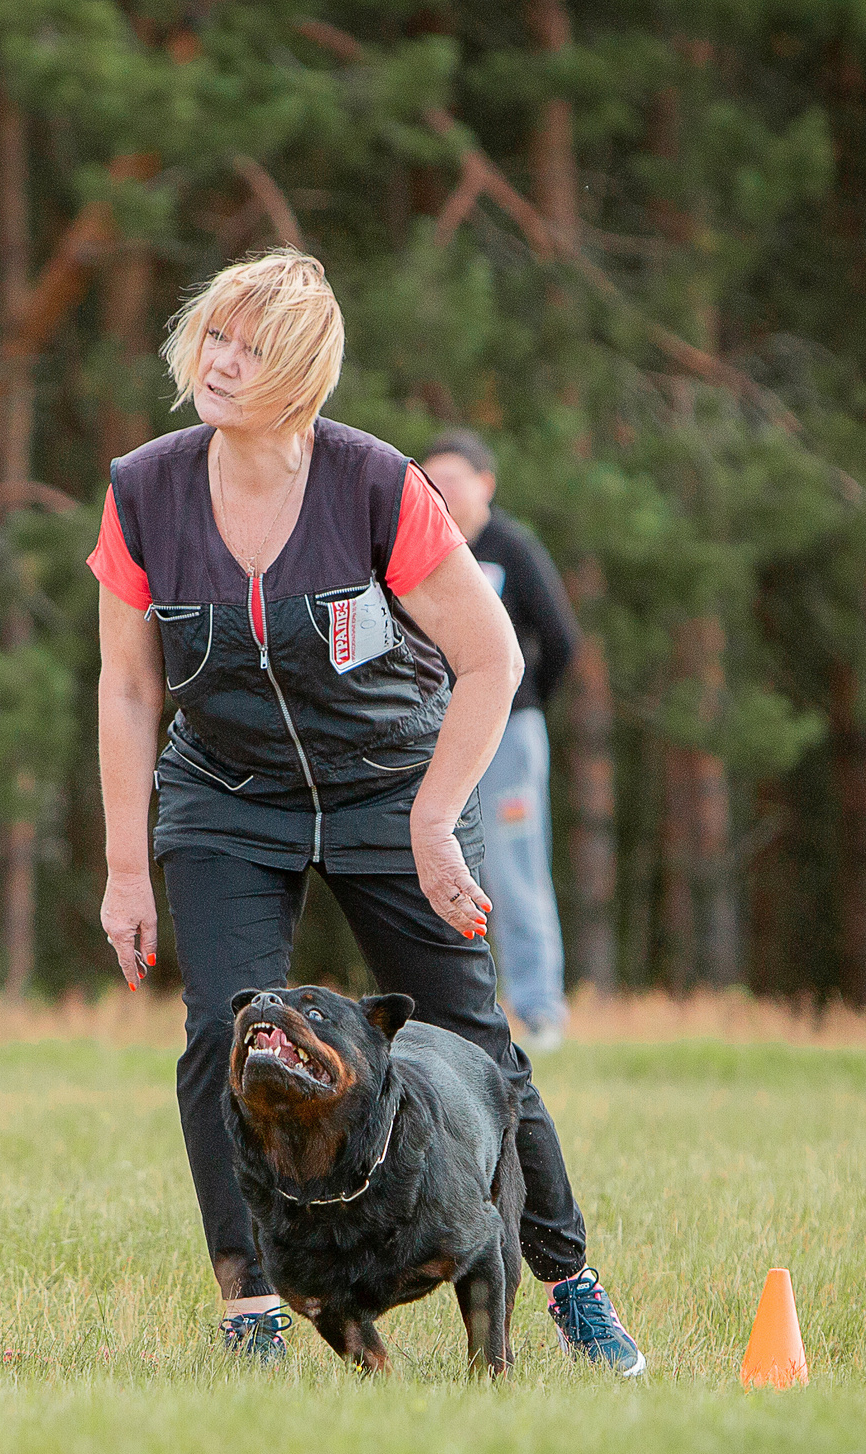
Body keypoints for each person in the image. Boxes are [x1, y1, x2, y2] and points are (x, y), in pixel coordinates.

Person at [89, 250, 643, 1374]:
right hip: (226, 794)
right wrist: (125, 867)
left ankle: (568, 1282)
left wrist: (436, 819)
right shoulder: (143, 487)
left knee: (478, 1046)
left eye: (251, 348)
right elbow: (130, 684)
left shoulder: (378, 484)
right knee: (216, 1036)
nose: (221, 362)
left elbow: (489, 662)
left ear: (302, 374)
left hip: (391, 786)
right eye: (214, 337)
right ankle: (251, 1308)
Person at [419, 431, 580, 1050]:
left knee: (516, 868)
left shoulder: (511, 546)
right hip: (442, 732)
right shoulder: (427, 550)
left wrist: (527, 703)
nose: (441, 490)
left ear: (486, 483)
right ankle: (460, 1015)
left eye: (453, 478)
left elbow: (561, 637)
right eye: (430, 479)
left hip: (511, 735)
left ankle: (539, 1011)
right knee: (452, 865)